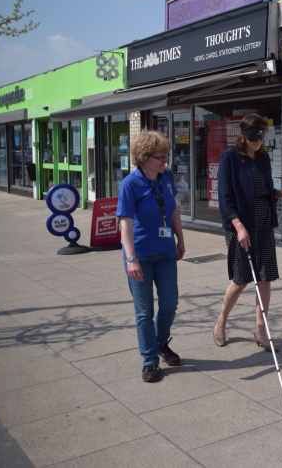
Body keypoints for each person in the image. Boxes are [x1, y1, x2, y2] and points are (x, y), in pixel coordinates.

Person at [214, 114, 282, 351]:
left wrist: (279, 194)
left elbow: (262, 188)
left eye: (262, 135)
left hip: (264, 225)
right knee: (241, 280)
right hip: (241, 227)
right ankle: (221, 320)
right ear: (244, 133)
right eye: (254, 135)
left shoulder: (263, 157)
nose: (258, 140)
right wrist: (238, 227)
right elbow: (225, 197)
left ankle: (261, 330)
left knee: (265, 278)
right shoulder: (229, 158)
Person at [117, 131, 186, 382]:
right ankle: (149, 360)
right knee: (144, 312)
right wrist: (130, 258)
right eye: (160, 157)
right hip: (141, 256)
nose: (164, 161)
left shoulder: (165, 176)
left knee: (169, 303)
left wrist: (180, 238)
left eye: (167, 156)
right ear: (144, 157)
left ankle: (159, 343)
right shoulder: (130, 184)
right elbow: (124, 223)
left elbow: (173, 208)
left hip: (166, 251)